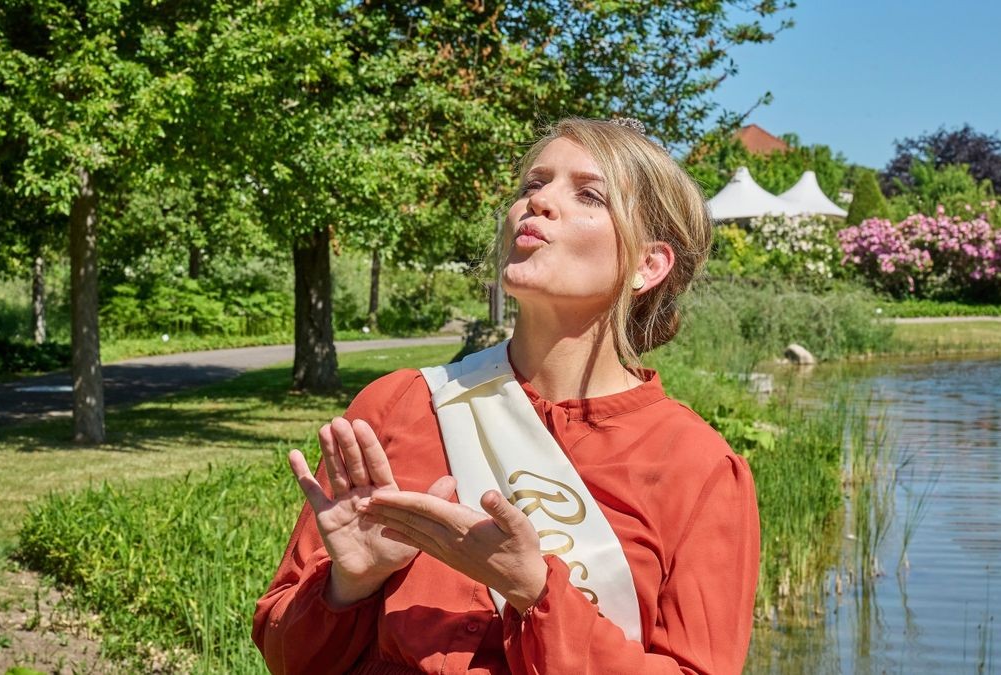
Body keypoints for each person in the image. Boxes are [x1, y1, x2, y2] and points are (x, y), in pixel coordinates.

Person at [252, 117, 760, 674]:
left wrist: (536, 591)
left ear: (648, 264)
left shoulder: (700, 468)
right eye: (532, 186)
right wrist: (351, 582)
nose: (538, 203)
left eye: (589, 194)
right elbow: (288, 659)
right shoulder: (400, 407)